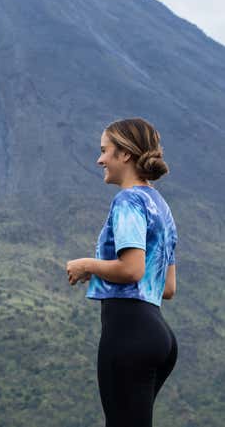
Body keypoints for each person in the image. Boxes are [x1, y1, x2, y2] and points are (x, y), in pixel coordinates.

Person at [67, 118, 177, 427]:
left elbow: (131, 269)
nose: (100, 159)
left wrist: (87, 265)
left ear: (124, 155)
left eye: (105, 151)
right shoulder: (160, 206)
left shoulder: (128, 200)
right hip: (158, 335)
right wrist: (103, 272)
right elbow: (166, 287)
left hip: (129, 333)